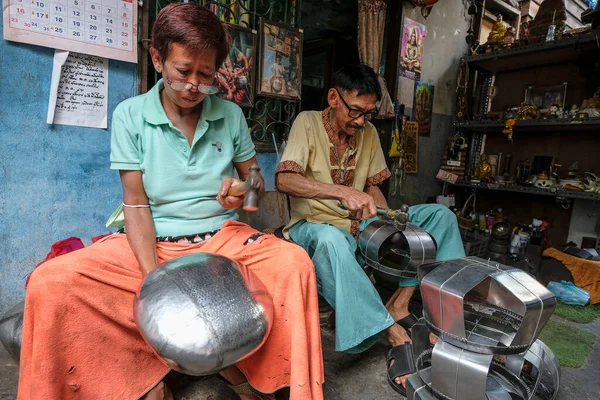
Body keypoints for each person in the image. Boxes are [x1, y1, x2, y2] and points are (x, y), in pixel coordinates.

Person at [17, 4, 324, 400]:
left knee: (294, 264)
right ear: (157, 58)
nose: (194, 85)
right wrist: (157, 279)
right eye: (183, 72)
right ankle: (137, 376)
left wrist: (242, 192)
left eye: (207, 75)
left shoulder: (229, 115)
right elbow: (136, 205)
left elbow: (255, 182)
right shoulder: (131, 115)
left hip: (222, 238)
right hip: (150, 243)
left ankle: (271, 380)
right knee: (50, 283)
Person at [275, 64, 465, 395]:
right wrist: (340, 191)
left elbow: (373, 190)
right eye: (356, 111)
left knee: (439, 216)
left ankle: (425, 312)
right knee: (333, 240)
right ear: (334, 98)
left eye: (368, 114)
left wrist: (389, 217)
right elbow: (285, 180)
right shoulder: (307, 123)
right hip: (313, 226)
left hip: (360, 223)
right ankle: (388, 330)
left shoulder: (369, 134)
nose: (361, 121)